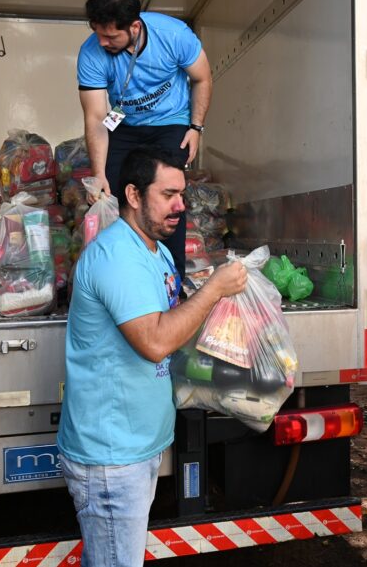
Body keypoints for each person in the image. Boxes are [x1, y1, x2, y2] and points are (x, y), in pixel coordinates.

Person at [56, 146, 246, 567]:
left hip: (137, 446)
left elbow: (175, 322)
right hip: (112, 457)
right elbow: (156, 341)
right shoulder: (117, 256)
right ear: (134, 195)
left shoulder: (154, 252)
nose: (180, 205)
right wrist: (214, 289)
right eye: (168, 194)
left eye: (182, 194)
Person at [77, 0, 212, 279]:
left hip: (171, 122)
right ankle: (124, 275)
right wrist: (99, 174)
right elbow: (97, 116)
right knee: (115, 195)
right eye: (97, 33)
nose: (102, 42)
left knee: (166, 196)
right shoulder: (91, 53)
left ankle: (171, 277)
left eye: (110, 36)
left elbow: (202, 78)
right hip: (124, 125)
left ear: (135, 27)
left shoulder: (174, 35)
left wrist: (196, 127)